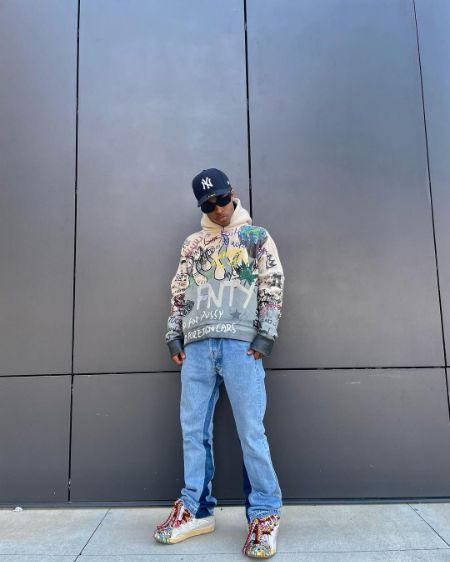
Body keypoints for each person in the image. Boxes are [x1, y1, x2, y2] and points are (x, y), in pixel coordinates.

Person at [154, 168, 285, 558]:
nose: (218, 209)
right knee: (193, 430)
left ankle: (265, 514)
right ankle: (196, 509)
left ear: (233, 193)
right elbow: (180, 289)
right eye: (208, 205)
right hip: (196, 345)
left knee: (251, 431)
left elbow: (272, 282)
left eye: (222, 199)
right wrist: (174, 334)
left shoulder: (256, 236)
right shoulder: (192, 243)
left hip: (240, 344)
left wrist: (266, 334)